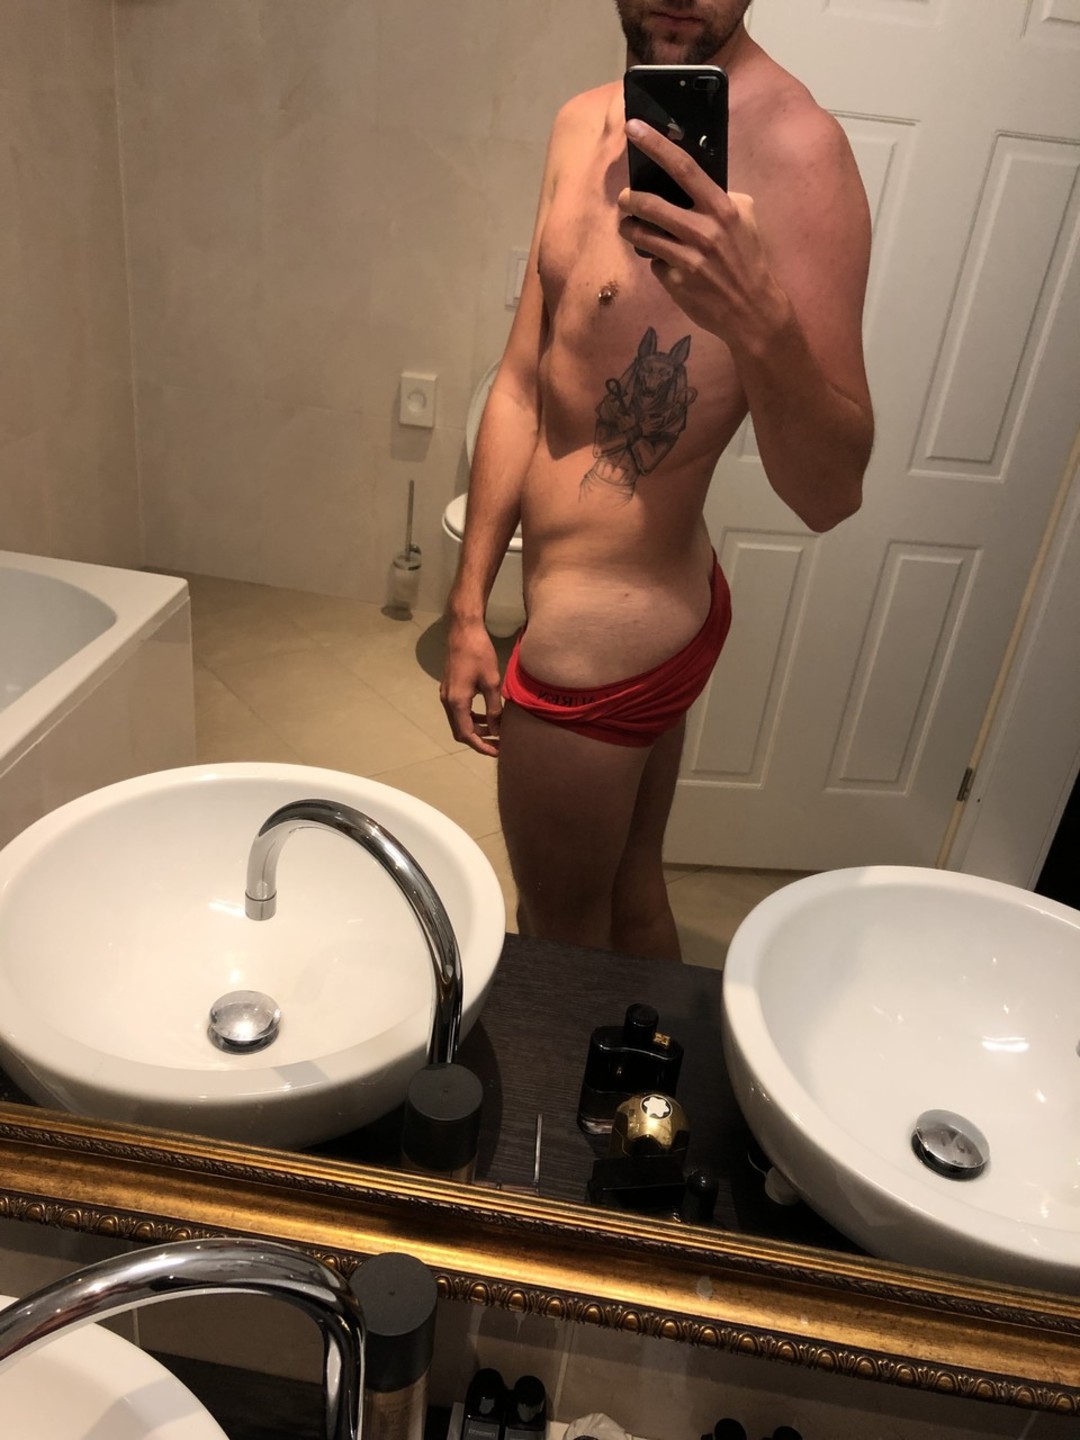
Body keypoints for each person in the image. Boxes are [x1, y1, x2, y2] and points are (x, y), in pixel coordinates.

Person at [440, 1, 873, 961]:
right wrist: (468, 606)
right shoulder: (579, 121)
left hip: (605, 646)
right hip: (619, 604)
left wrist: (758, 316)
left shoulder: (801, 154)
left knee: (557, 941)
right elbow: (520, 383)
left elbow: (831, 493)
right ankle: (652, 1065)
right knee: (631, 899)